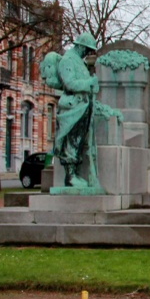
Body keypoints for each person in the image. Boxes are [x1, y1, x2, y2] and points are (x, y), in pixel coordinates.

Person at [53, 32, 100, 187]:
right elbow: (70, 84)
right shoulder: (67, 60)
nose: (87, 53)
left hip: (83, 106)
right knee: (71, 141)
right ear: (79, 46)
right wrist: (89, 84)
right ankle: (70, 176)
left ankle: (74, 174)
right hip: (72, 108)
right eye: (86, 49)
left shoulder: (80, 62)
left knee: (78, 141)